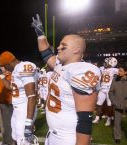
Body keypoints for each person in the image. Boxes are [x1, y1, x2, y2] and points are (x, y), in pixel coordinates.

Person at [31, 14, 101, 145]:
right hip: (52, 134)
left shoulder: (81, 71)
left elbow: (85, 120)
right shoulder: (60, 65)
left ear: (76, 49)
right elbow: (46, 54)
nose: (58, 48)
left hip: (68, 138)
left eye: (63, 46)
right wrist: (40, 34)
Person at [0, 51, 38, 145]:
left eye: (4, 66)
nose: (5, 69)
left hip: (25, 108)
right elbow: (10, 87)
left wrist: (28, 122)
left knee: (24, 140)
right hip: (17, 110)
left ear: (8, 64)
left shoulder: (23, 67)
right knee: (15, 137)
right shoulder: (16, 70)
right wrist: (1, 75)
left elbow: (32, 96)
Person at [92, 57, 118, 126]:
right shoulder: (102, 69)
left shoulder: (114, 70)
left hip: (109, 89)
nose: (105, 63)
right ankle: (97, 118)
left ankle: (109, 119)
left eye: (107, 62)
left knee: (109, 105)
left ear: (111, 63)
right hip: (102, 89)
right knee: (98, 103)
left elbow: (121, 72)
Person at [109, 65, 127, 144]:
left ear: (126, 72)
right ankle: (117, 137)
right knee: (117, 122)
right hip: (117, 104)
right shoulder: (115, 79)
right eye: (118, 70)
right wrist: (113, 101)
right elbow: (111, 92)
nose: (118, 72)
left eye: (121, 71)